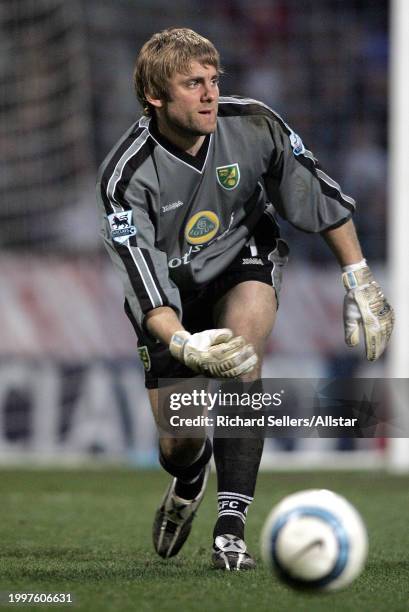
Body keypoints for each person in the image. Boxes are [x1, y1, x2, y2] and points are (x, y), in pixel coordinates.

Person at [96, 28, 393, 570]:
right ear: (155, 98)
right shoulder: (125, 178)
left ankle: (230, 530)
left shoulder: (255, 124)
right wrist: (184, 343)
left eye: (214, 80)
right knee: (179, 443)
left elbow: (318, 195)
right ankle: (191, 477)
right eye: (193, 84)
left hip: (242, 256)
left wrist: (360, 279)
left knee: (241, 360)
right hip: (171, 303)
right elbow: (144, 285)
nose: (210, 94)